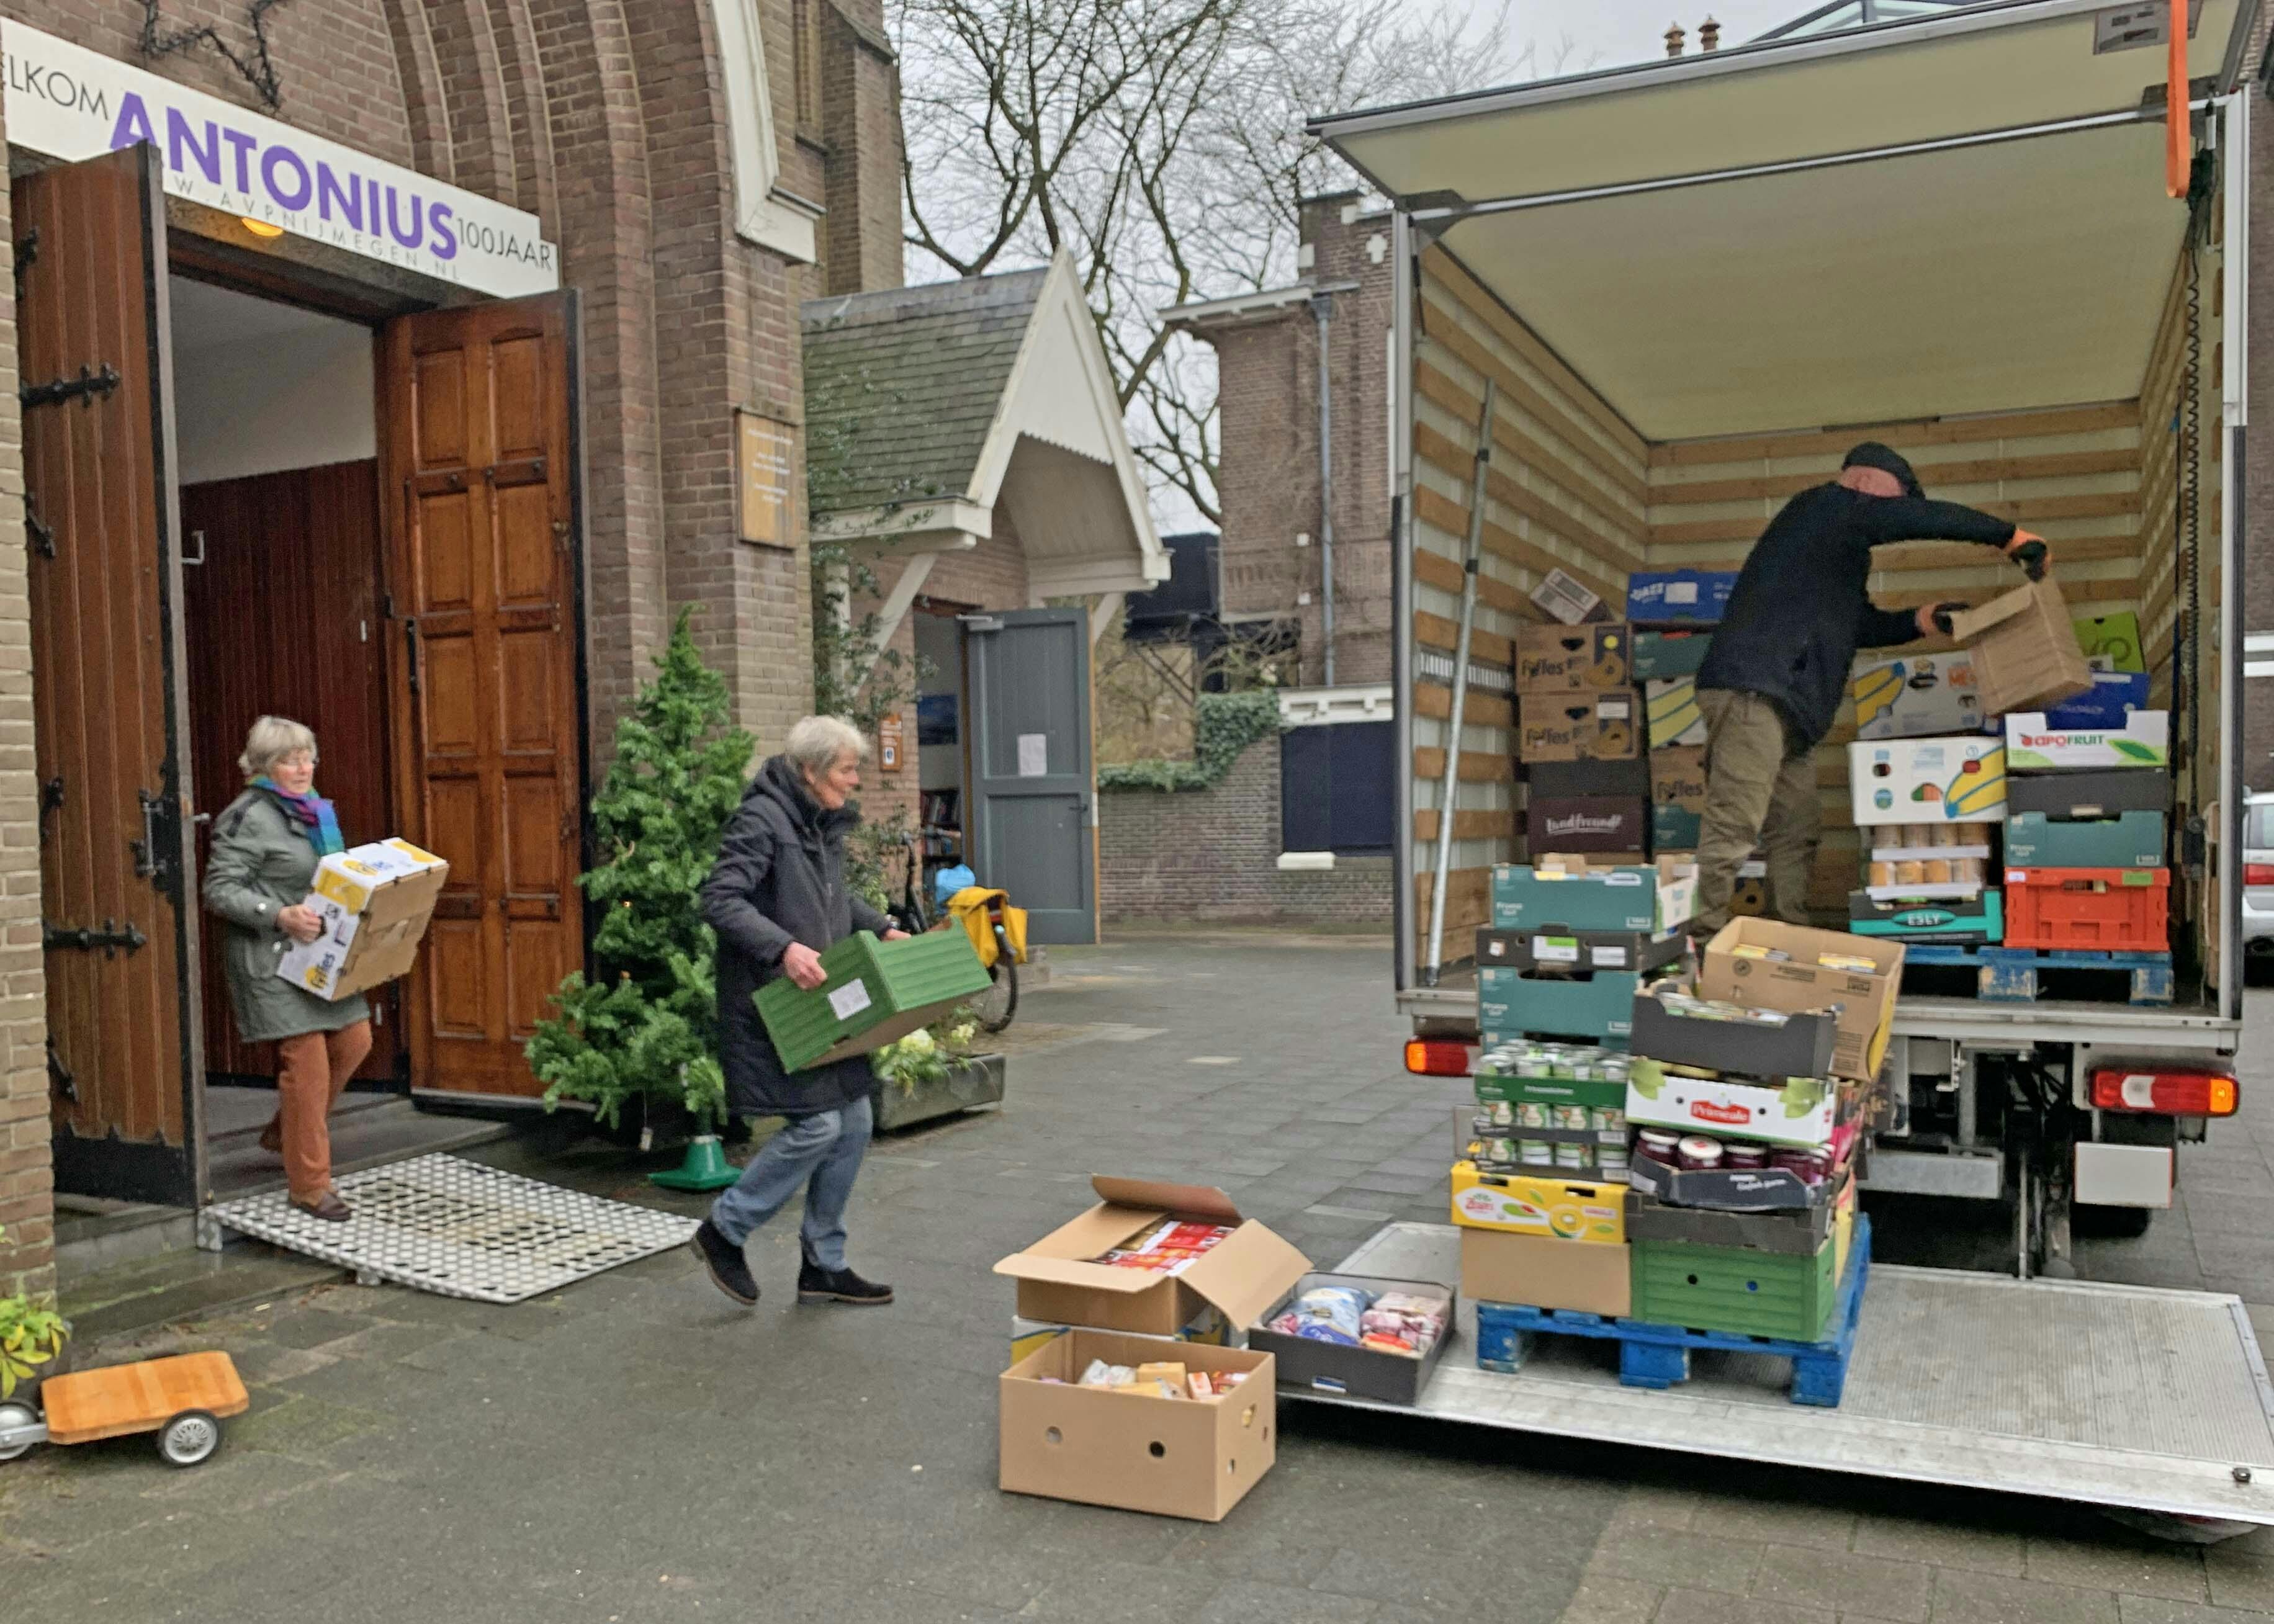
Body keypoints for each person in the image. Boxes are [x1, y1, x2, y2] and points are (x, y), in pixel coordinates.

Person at [1688, 441, 2052, 936]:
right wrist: (2008, 536)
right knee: (1735, 825)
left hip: (1791, 709)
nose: (1895, 513)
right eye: (1894, 500)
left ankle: (1787, 933)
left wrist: (1921, 620)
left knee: (1797, 830)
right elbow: (1914, 520)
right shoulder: (1824, 506)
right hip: (1756, 689)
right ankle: (1700, 941)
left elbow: (1857, 624)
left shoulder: (1834, 549)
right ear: (1863, 482)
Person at [690, 716, 906, 1309]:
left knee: (855, 1119)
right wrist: (783, 948)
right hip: (773, 1007)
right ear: (810, 771)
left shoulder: (817, 822)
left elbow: (833, 897)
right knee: (818, 1126)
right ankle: (725, 1229)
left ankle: (823, 1264)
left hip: (822, 1003)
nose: (855, 780)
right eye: (847, 770)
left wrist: (881, 928)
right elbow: (721, 899)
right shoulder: (763, 820)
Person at [203, 717, 375, 1222]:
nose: (303, 769)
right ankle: (310, 1186)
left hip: (318, 955)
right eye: (289, 760)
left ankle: (287, 1132)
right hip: (271, 955)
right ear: (263, 766)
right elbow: (218, 890)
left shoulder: (316, 811)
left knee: (356, 1039)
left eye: (308, 758)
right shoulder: (247, 816)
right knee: (307, 1063)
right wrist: (279, 914)